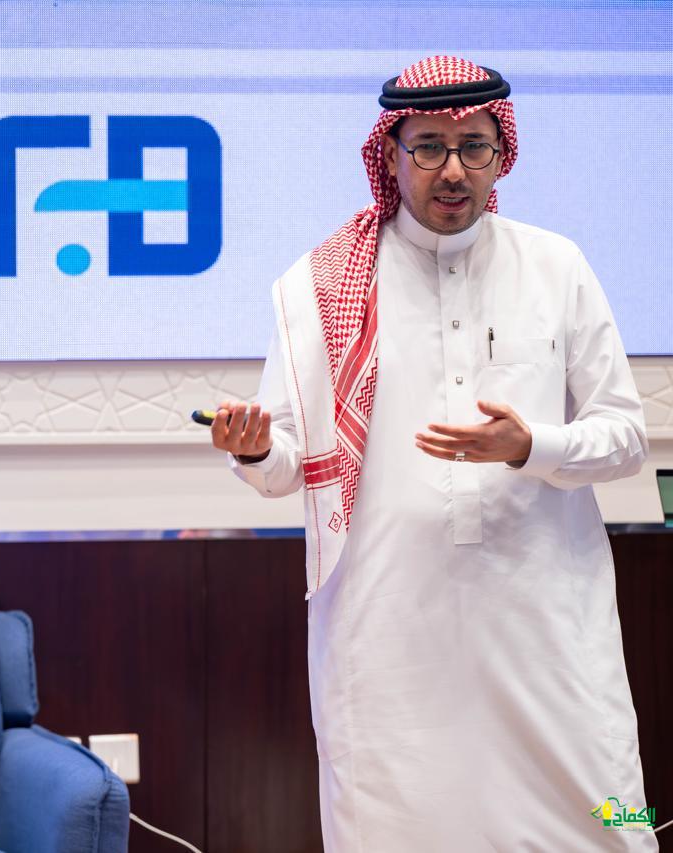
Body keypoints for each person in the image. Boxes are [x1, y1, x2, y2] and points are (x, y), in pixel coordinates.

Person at [212, 56, 655, 851]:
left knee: (607, 826)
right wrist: (253, 451)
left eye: (473, 146)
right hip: (389, 637)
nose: (453, 170)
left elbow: (624, 436)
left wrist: (533, 445)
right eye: (428, 147)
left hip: (547, 626)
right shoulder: (318, 288)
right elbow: (285, 472)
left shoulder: (556, 267)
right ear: (390, 154)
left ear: (501, 152)